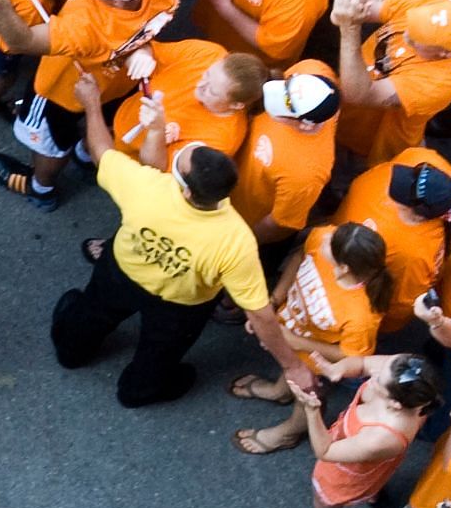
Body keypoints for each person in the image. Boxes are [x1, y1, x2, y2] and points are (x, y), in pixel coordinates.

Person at [52, 72, 304, 406]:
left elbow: (101, 151)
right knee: (160, 353)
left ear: (186, 189)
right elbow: (259, 314)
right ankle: (138, 391)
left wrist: (92, 104)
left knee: (91, 313)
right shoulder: (236, 239)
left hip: (122, 272)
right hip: (181, 306)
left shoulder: (146, 187)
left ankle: (72, 350)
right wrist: (293, 365)